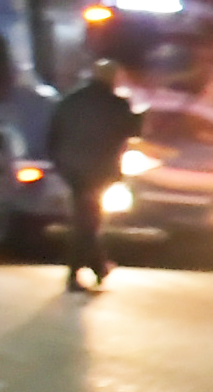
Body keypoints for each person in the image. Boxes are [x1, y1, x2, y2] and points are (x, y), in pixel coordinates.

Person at [45, 59, 143, 292]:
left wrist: (60, 163)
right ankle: (79, 273)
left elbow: (53, 133)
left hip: (73, 170)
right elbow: (133, 131)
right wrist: (141, 114)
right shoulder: (116, 104)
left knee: (86, 218)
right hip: (99, 171)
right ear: (113, 78)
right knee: (88, 222)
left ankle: (97, 266)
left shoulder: (71, 100)